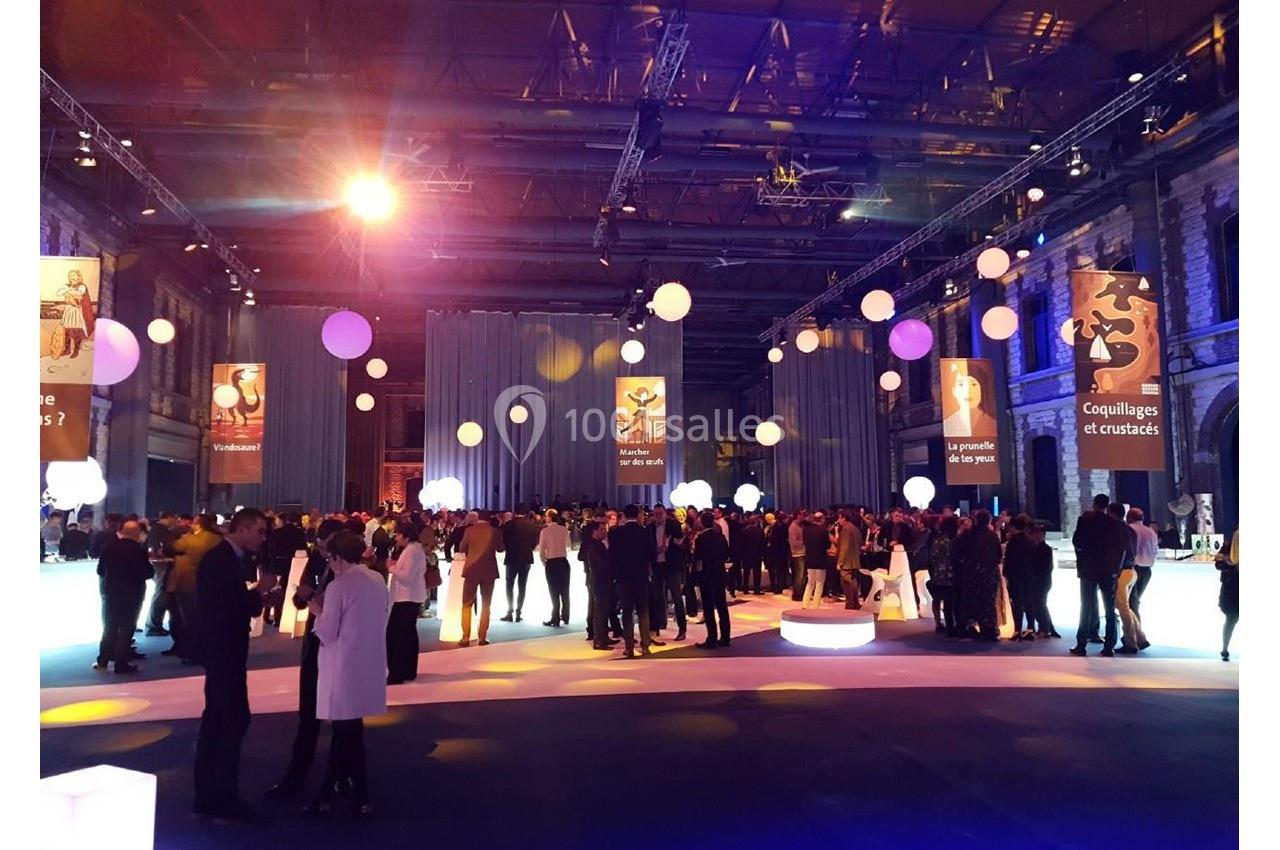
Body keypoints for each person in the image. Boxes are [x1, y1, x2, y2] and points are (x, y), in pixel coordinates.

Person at [193, 508, 272, 823]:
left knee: (218, 720)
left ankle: (208, 796)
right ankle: (222, 799)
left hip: (223, 651)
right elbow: (227, 607)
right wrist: (259, 594)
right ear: (244, 528)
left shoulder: (227, 558)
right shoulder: (221, 560)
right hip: (223, 650)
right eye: (260, 531)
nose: (263, 538)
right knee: (229, 722)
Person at [308, 530, 388, 818]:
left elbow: (328, 632)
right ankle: (349, 793)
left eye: (330, 558)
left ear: (338, 558)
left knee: (345, 734)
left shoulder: (339, 587)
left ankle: (333, 794)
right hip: (368, 661)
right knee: (351, 733)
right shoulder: (377, 579)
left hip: (343, 665)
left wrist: (316, 611)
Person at [265, 519, 343, 802]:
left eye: (327, 548)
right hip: (313, 645)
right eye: (320, 548)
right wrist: (304, 595)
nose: (324, 553)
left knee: (342, 719)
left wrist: (323, 601)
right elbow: (299, 602)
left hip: (339, 650)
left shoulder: (351, 568)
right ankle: (296, 776)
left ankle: (336, 780)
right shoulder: (316, 558)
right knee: (307, 715)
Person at [93, 520, 153, 674]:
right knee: (127, 628)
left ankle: (103, 661)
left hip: (111, 592)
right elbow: (148, 573)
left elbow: (100, 570)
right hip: (133, 593)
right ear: (136, 534)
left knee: (109, 627)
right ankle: (121, 663)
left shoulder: (109, 547)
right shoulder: (139, 550)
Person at [1070, 494, 1125, 658]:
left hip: (1088, 569)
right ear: (1107, 506)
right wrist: (1116, 568)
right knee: (1109, 608)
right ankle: (1109, 646)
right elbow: (1121, 547)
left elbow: (1077, 541)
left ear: (1094, 504)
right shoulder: (1114, 524)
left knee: (1086, 606)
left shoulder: (1085, 521)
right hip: (1108, 570)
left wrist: (1082, 557)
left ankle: (1081, 645)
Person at [167, 515, 222, 663]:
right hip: (211, 583)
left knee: (189, 619)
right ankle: (207, 650)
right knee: (207, 618)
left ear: (197, 524)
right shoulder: (217, 540)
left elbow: (173, 546)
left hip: (187, 582)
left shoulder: (189, 539)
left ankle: (190, 652)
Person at [609, 504, 656, 657]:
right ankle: (645, 645)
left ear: (624, 515)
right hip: (641, 576)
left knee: (627, 612)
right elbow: (651, 554)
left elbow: (612, 555)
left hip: (623, 577)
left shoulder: (616, 533)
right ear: (637, 515)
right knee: (643, 610)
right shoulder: (645, 532)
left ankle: (629, 647)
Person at [386, 522, 427, 684]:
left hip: (406, 597)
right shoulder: (414, 550)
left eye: (398, 534)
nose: (396, 537)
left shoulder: (412, 552)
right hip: (409, 597)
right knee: (407, 635)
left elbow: (407, 576)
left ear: (406, 536)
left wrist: (392, 567)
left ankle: (397, 672)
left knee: (397, 636)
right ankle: (407, 671)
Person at [456, 511, 504, 646]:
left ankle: (465, 637)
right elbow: (501, 549)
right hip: (489, 571)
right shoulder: (495, 531)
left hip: (471, 570)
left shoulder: (469, 530)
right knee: (486, 604)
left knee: (467, 604)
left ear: (477, 518)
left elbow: (462, 547)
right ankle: (482, 637)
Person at [958, 509, 1002, 641]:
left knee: (973, 601)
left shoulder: (968, 535)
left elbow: (960, 552)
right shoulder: (992, 536)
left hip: (973, 572)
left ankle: (973, 627)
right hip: (989, 573)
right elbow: (998, 555)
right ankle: (990, 629)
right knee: (989, 601)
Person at [648, 504, 687, 641]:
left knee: (676, 597)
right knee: (656, 597)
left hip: (671, 565)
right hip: (657, 565)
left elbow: (681, 544)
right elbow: (648, 547)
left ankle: (682, 629)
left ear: (665, 513)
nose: (658, 516)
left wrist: (674, 544)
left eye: (660, 513)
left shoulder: (673, 525)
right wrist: (655, 551)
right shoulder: (650, 527)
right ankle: (657, 626)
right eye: (655, 514)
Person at [693, 510, 731, 649]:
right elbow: (726, 554)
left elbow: (698, 560)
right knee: (722, 606)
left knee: (708, 608)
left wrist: (697, 575)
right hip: (720, 573)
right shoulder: (720, 537)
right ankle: (725, 637)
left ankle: (712, 638)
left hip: (707, 575)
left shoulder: (701, 539)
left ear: (702, 522)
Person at [581, 521, 619, 651]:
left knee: (604, 610)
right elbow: (603, 563)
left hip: (603, 581)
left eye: (605, 529)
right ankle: (599, 640)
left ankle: (603, 636)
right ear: (594, 531)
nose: (605, 532)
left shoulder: (599, 544)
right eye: (602, 529)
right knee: (600, 611)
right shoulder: (594, 546)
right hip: (599, 581)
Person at [1125, 506, 1158, 646]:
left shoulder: (1129, 530)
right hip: (1147, 571)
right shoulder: (1151, 532)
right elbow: (1155, 551)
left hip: (1133, 569)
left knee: (1129, 605)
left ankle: (1135, 638)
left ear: (1129, 517)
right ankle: (1136, 637)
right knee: (1134, 603)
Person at [1002, 514, 1037, 640]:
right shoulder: (1029, 541)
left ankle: (1018, 629)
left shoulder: (1013, 542)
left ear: (1013, 527)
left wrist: (1005, 573)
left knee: (1017, 602)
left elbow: (1009, 559)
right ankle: (1031, 628)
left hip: (1015, 575)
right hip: (1028, 574)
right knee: (1029, 601)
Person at [500, 510, 538, 622]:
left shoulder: (508, 525)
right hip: (526, 557)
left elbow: (504, 541)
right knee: (522, 585)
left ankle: (509, 611)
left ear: (514, 513)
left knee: (509, 585)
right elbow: (534, 542)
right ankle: (518, 612)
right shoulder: (530, 524)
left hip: (512, 557)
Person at [538, 511, 572, 627]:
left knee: (554, 592)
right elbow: (568, 544)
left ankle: (555, 617)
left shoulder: (545, 531)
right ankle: (566, 615)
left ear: (549, 517)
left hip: (552, 562)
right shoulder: (563, 529)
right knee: (565, 590)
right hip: (563, 561)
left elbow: (541, 550)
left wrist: (544, 562)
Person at [1027, 524, 1060, 638]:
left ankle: (1045, 628)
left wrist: (1035, 575)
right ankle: (1048, 627)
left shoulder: (1045, 549)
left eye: (1039, 534)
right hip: (1039, 580)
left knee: (1040, 604)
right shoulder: (1034, 548)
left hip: (1041, 581)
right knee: (1039, 604)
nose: (1036, 536)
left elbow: (1047, 567)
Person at [928, 515, 959, 634]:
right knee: (950, 601)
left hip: (939, 574)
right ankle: (952, 626)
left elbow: (932, 558)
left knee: (941, 599)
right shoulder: (952, 542)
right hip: (951, 575)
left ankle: (941, 623)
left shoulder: (937, 541)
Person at [1216, 529, 1239, 662]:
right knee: (1231, 619)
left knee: (1231, 619)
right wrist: (1230, 564)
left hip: (1231, 586)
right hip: (1232, 587)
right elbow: (1218, 564)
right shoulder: (1228, 545)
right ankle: (1225, 648)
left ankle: (1225, 648)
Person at [801, 512, 830, 608]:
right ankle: (815, 604)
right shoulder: (823, 531)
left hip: (809, 559)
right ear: (821, 519)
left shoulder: (806, 530)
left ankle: (805, 603)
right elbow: (827, 545)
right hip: (821, 560)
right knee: (819, 583)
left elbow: (805, 542)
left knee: (810, 583)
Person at [835, 510, 864, 610]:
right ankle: (855, 604)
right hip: (855, 560)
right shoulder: (855, 528)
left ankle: (850, 605)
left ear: (844, 518)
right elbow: (860, 543)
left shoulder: (846, 529)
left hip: (847, 562)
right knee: (853, 583)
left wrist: (840, 562)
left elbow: (844, 547)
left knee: (847, 585)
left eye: (839, 518)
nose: (838, 520)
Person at [736, 513, 766, 596]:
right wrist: (763, 553)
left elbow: (740, 543)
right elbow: (763, 543)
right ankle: (757, 589)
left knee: (746, 572)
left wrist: (741, 553)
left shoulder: (743, 530)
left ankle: (745, 588)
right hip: (757, 554)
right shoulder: (759, 531)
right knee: (757, 573)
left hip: (746, 554)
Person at [763, 512, 790, 594]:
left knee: (779, 570)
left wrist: (769, 538)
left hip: (778, 552)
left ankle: (779, 587)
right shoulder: (771, 526)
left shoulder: (778, 526)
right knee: (775, 569)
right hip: (774, 552)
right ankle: (775, 586)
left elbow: (779, 539)